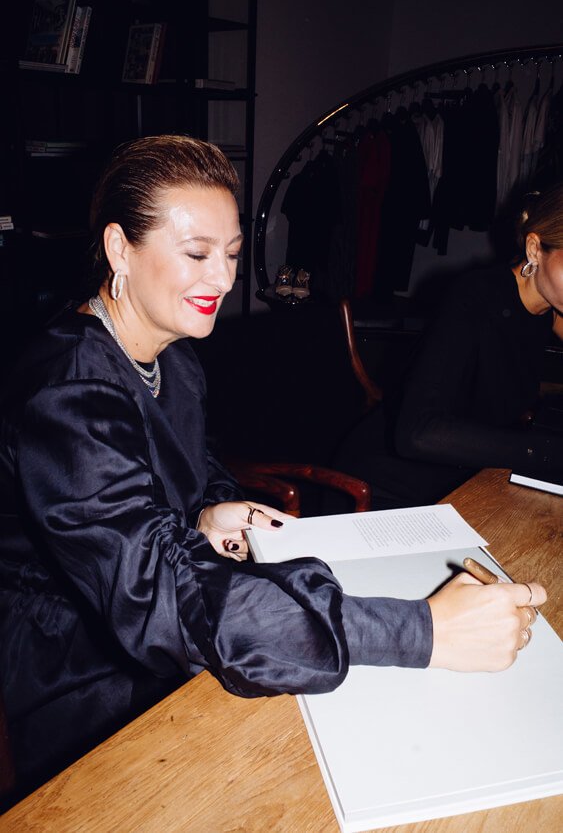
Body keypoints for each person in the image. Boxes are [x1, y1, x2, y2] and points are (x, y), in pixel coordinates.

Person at [0, 136, 546, 803]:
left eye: (231, 255)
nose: (223, 279)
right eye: (197, 253)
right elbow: (153, 593)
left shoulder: (173, 356)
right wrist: (425, 632)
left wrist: (209, 510)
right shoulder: (66, 391)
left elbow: (191, 467)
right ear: (119, 249)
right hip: (85, 663)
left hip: (178, 621)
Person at [334, 185, 563, 508]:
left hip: (465, 483)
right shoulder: (474, 296)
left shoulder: (550, 308)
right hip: (382, 489)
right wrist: (544, 451)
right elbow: (417, 433)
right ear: (535, 249)